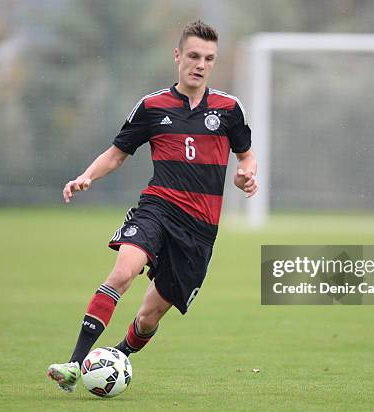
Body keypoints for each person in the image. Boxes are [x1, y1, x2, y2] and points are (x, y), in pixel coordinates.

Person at [47, 20, 258, 392]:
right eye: (194, 56)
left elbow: (247, 157)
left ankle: (116, 355)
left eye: (209, 58)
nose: (201, 64)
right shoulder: (152, 106)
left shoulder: (229, 109)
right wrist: (87, 177)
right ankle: (75, 364)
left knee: (148, 317)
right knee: (124, 272)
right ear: (178, 56)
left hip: (199, 231)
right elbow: (116, 154)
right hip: (157, 209)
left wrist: (246, 175)